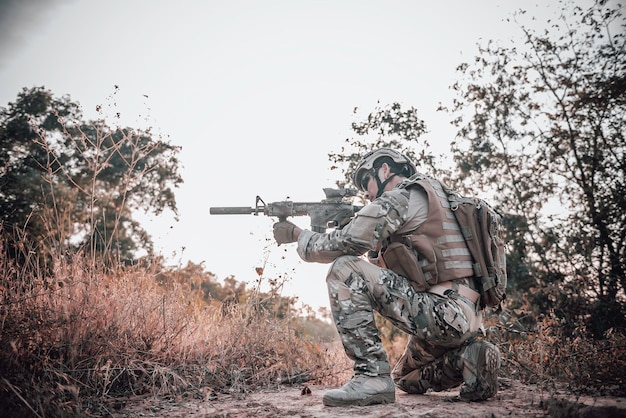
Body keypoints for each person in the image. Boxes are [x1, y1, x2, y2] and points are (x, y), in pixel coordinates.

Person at [272, 148, 501, 407]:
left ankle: (370, 376)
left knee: (345, 269)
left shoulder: (403, 196)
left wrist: (296, 235)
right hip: (464, 318)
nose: (366, 193)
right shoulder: (437, 198)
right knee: (406, 378)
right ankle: (471, 358)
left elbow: (345, 244)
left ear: (384, 169)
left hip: (443, 312)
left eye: (366, 182)